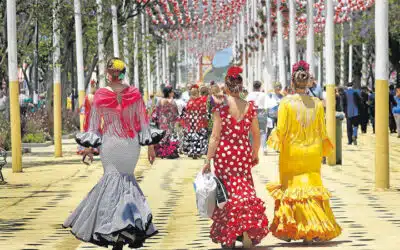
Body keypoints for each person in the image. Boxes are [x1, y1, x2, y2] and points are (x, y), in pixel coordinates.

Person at [63, 58, 158, 250]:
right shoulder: (134, 94)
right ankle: (123, 228)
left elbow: (94, 126)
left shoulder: (100, 95)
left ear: (108, 74)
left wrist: (89, 148)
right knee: (126, 182)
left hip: (111, 144)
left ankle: (114, 229)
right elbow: (143, 123)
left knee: (111, 182)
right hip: (130, 145)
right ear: (123, 73)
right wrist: (151, 147)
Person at [266, 60, 341, 243]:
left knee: (292, 188)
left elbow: (281, 129)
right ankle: (313, 228)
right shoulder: (316, 103)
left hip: (292, 151)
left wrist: (273, 145)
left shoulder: (286, 103)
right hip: (313, 151)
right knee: (312, 187)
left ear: (292, 82)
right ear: (307, 82)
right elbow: (322, 131)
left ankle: (294, 228)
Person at [202, 66, 269, 249]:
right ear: (240, 87)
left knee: (227, 194)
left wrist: (208, 160)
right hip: (242, 153)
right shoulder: (249, 107)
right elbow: (256, 134)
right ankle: (245, 229)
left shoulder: (221, 108)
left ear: (227, 87)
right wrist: (255, 153)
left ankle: (229, 236)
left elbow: (215, 136)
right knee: (243, 188)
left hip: (224, 155)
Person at [153, 85, 180, 159]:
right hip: (169, 122)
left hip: (161, 121)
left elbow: (156, 111)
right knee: (168, 135)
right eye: (172, 92)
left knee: (162, 135)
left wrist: (158, 119)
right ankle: (168, 152)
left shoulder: (159, 100)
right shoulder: (172, 101)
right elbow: (175, 113)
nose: (173, 93)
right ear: (169, 93)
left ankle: (159, 151)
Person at [182, 86, 209, 159]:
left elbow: (185, 112)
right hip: (199, 121)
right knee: (199, 136)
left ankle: (191, 151)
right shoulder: (201, 101)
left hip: (190, 121)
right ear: (198, 93)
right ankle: (197, 151)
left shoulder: (189, 101)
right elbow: (204, 111)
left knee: (191, 135)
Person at [77, 80, 100, 156]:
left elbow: (82, 108)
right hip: (95, 117)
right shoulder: (98, 97)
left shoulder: (87, 97)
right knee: (94, 131)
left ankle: (87, 148)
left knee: (89, 131)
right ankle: (94, 147)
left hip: (89, 117)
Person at [247, 81, 268, 155]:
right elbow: (267, 104)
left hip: (253, 112)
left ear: (253, 86)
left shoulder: (250, 94)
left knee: (252, 131)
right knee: (263, 131)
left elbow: (247, 104)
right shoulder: (263, 94)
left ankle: (251, 148)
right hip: (262, 112)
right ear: (260, 87)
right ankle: (264, 148)